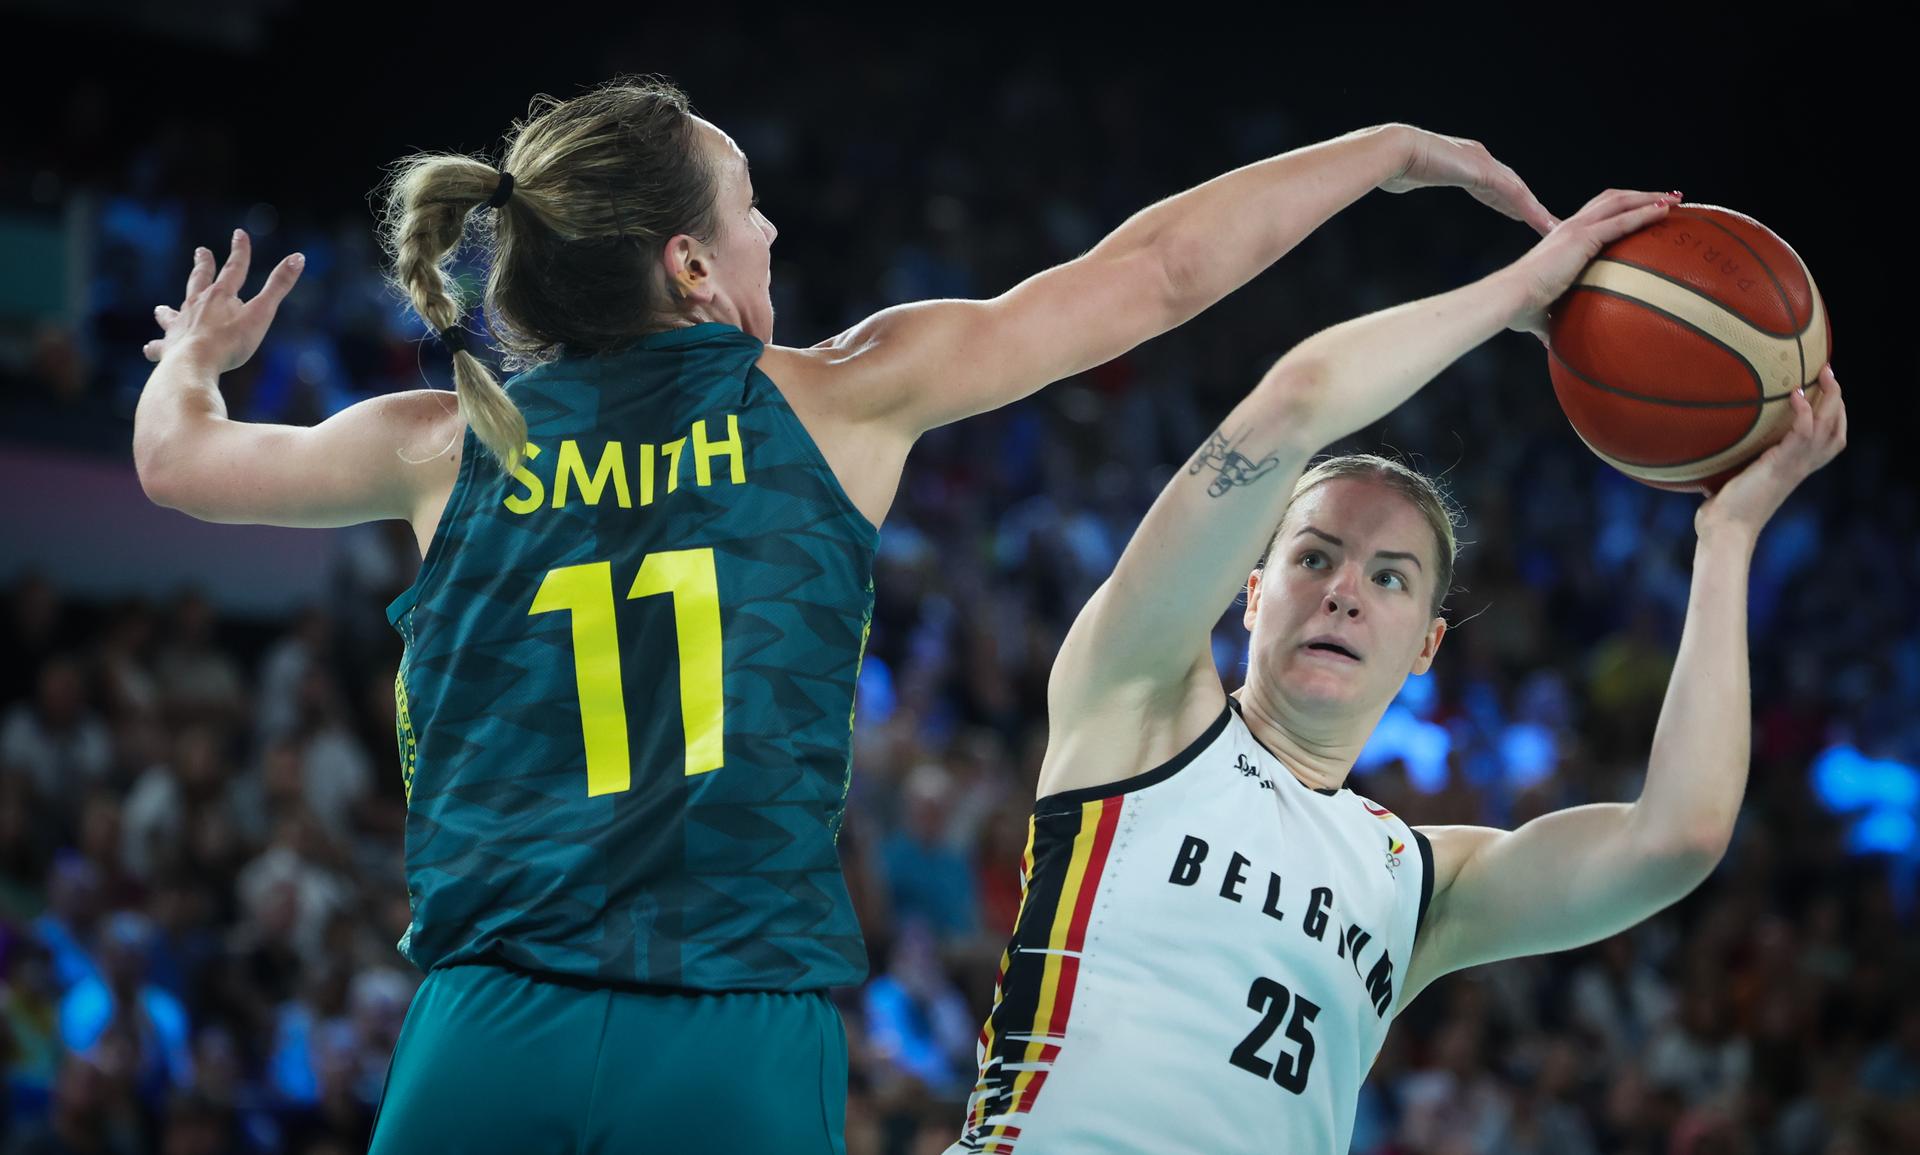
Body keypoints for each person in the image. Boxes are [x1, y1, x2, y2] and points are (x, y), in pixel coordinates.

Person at [130, 75, 1552, 1153]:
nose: (772, 227)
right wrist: (1388, 156)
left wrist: (191, 356)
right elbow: (1159, 274)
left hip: (484, 1028)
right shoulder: (835, 395)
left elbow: (175, 462)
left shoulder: (445, 440)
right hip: (739, 1037)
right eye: (746, 208)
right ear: (692, 266)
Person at [952, 187, 1847, 1153]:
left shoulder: (1420, 879)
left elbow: (1679, 836)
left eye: (1389, 577)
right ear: (1252, 594)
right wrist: (1514, 296)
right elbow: (1295, 405)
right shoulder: (1139, 707)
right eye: (1314, 556)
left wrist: (1727, 536)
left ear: (1426, 645)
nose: (1344, 591)